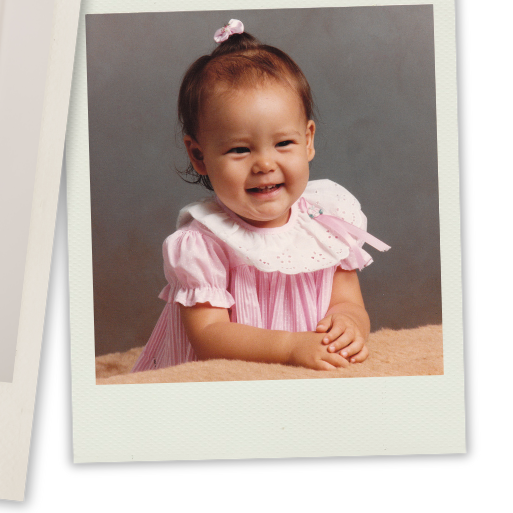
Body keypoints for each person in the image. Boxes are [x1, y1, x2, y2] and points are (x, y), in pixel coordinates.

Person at [131, 19, 388, 373]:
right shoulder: (202, 244)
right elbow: (209, 334)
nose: (265, 163)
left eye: (283, 143)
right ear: (199, 155)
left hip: (302, 371)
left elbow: (347, 300)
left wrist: (350, 323)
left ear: (308, 140)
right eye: (239, 149)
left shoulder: (324, 219)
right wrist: (289, 346)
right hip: (223, 381)